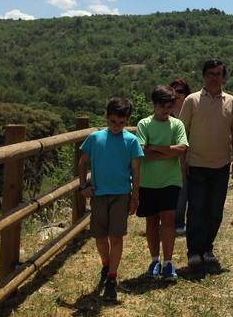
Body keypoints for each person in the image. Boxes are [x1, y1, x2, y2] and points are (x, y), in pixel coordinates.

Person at [77, 97, 143, 302]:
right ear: (106, 117)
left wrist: (135, 196)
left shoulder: (131, 141)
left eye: (121, 123)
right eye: (113, 121)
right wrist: (83, 186)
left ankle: (112, 278)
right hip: (98, 194)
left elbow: (136, 170)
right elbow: (82, 163)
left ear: (126, 121)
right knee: (99, 236)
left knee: (116, 236)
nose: (117, 126)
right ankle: (106, 264)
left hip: (121, 194)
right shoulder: (95, 138)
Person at [179, 59, 233, 268]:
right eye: (211, 74)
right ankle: (194, 251)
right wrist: (182, 162)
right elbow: (182, 132)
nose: (215, 78)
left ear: (223, 77)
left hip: (221, 164)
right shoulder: (192, 100)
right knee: (196, 209)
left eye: (218, 74)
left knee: (215, 210)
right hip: (196, 163)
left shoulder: (231, 102)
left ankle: (207, 248)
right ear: (204, 76)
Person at [136, 85, 189, 281]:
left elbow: (182, 149)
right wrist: (168, 151)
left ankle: (168, 262)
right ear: (154, 105)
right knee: (151, 222)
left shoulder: (177, 124)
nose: (166, 111)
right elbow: (142, 152)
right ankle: (154, 260)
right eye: (162, 107)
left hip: (170, 181)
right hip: (148, 182)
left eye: (169, 107)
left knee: (168, 221)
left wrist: (155, 149)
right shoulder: (144, 124)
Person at [170, 78, 191, 236]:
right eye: (174, 90)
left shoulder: (192, 108)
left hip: (194, 153)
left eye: (180, 91)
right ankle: (178, 221)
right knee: (180, 189)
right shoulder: (165, 111)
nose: (177, 94)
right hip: (174, 155)